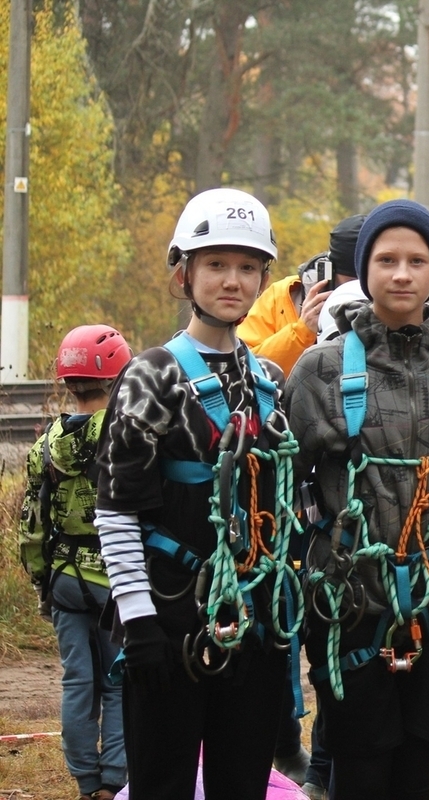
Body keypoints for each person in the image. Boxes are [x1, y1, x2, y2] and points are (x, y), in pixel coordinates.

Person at [94, 188, 301, 799]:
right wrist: (137, 620)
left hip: (255, 624)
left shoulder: (268, 381)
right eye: (215, 266)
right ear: (183, 274)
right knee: (163, 786)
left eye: (245, 267)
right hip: (168, 618)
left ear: (263, 278)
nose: (231, 281)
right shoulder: (151, 376)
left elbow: (287, 501)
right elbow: (115, 508)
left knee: (243, 785)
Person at [285, 199, 429, 799]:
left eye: (417, 260)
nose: (402, 274)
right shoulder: (320, 371)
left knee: (421, 767)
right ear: (365, 270)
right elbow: (281, 480)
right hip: (351, 606)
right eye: (387, 259)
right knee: (361, 767)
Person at [21, 325, 133, 800]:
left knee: (77, 682)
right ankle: (114, 779)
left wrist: (41, 580)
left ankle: (85, 781)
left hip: (65, 579)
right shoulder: (126, 437)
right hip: (116, 579)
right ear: (116, 379)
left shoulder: (44, 446)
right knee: (117, 682)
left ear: (67, 382)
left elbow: (32, 523)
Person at [239, 213, 366, 376]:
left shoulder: (398, 297)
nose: (359, 291)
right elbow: (248, 370)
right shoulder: (285, 295)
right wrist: (303, 331)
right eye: (351, 281)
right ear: (330, 273)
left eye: (367, 282)